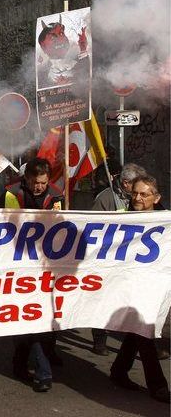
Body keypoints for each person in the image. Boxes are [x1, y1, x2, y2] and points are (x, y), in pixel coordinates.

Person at [0, 158, 63, 393]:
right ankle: (43, 373)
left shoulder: (56, 194)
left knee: (38, 318)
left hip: (46, 265)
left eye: (43, 183)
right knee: (29, 318)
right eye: (36, 183)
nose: (40, 187)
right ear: (27, 179)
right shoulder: (10, 193)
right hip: (17, 266)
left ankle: (21, 363)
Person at [109, 175, 170, 404]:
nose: (137, 198)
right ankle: (158, 386)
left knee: (138, 330)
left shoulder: (166, 222)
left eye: (144, 194)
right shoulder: (122, 218)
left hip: (153, 286)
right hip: (128, 285)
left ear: (156, 197)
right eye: (135, 193)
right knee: (143, 330)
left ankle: (118, 370)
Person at [89, 162, 147, 355]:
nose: (138, 191)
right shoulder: (105, 199)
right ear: (125, 183)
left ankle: (144, 343)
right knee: (104, 299)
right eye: (135, 185)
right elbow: (94, 228)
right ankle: (100, 338)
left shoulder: (135, 200)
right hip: (108, 259)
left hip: (130, 259)